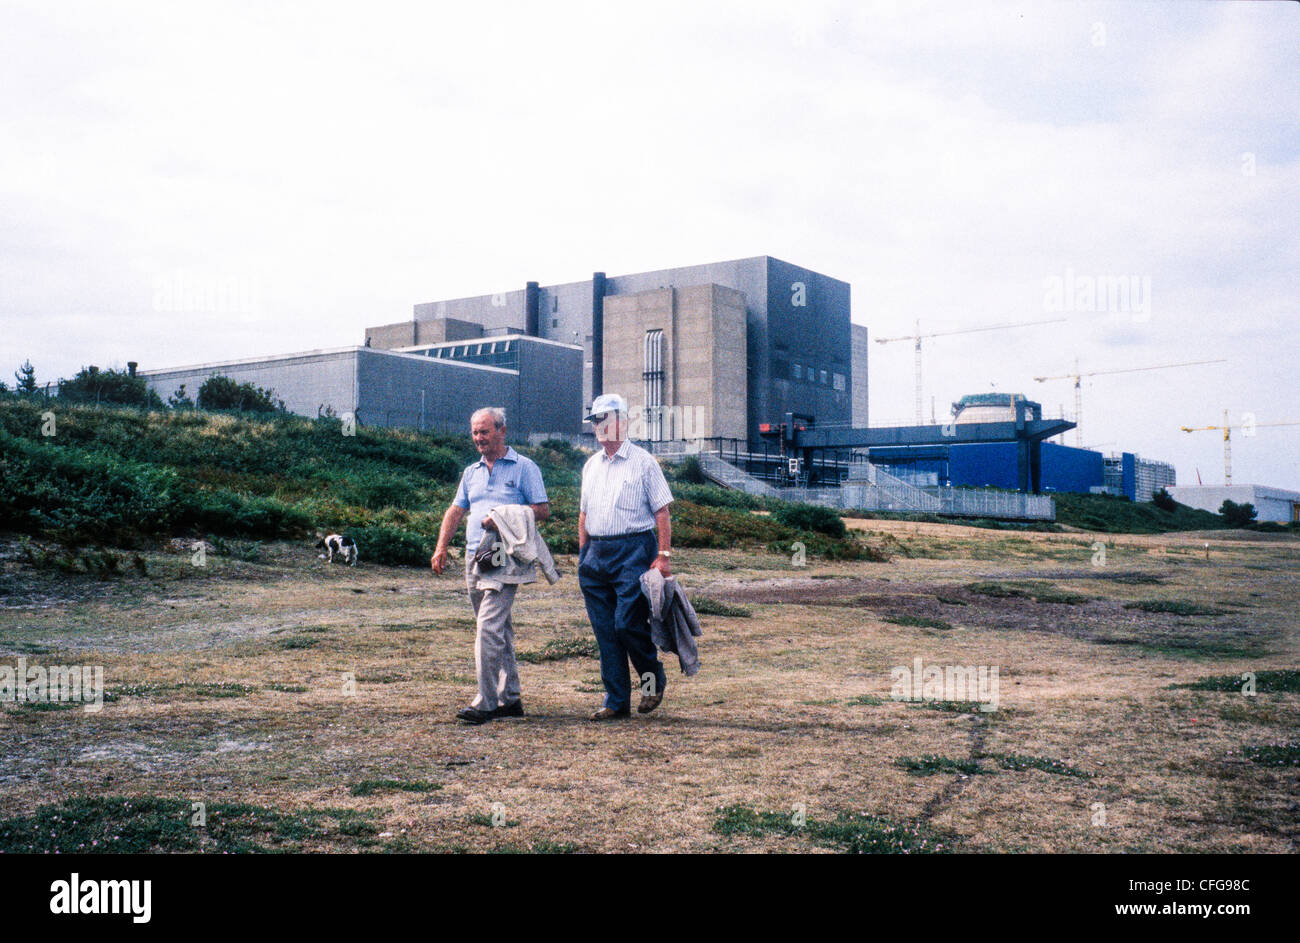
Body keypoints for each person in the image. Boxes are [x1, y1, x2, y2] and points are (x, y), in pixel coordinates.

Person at [431, 407, 549, 725]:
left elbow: (542, 510)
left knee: (488, 627)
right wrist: (442, 548)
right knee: (499, 630)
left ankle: (485, 702)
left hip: (505, 553)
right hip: (475, 555)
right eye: (474, 432)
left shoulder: (525, 467)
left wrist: (501, 516)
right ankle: (510, 699)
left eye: (484, 431)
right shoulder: (471, 472)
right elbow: (455, 511)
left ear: (501, 430)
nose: (479, 438)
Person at [577, 393, 674, 721]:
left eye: (605, 419)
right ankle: (616, 702)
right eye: (595, 421)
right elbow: (584, 513)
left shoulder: (643, 462)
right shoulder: (590, 465)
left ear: (622, 421)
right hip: (595, 555)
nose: (599, 427)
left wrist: (662, 556)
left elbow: (662, 511)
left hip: (634, 551)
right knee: (605, 631)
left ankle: (652, 681)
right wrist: (583, 553)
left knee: (627, 624)